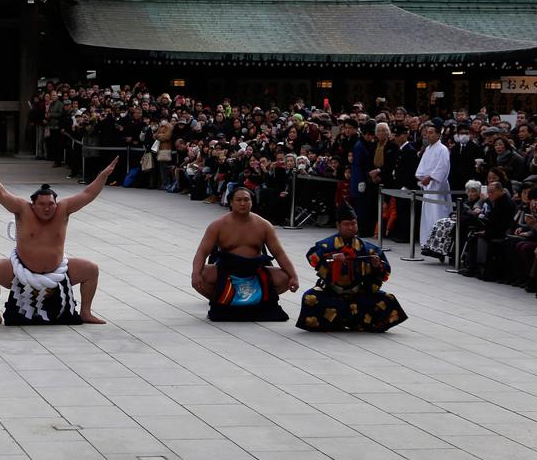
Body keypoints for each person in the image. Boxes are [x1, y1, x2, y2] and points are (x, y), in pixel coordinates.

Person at [0, 153, 114, 326]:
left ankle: (86, 312)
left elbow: (88, 193)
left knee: (91, 269)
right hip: (22, 272)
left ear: (56, 203)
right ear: (33, 205)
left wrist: (102, 176)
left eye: (50, 204)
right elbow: (2, 195)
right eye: (42, 204)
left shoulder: (63, 210)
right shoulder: (22, 210)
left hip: (57, 271)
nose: (47, 208)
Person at [190, 186, 298, 321]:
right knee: (203, 274)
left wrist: (294, 276)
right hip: (227, 270)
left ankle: (255, 302)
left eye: (246, 200)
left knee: (284, 277)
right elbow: (202, 252)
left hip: (255, 271)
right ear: (231, 202)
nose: (243, 203)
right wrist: (195, 273)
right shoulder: (218, 225)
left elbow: (279, 253)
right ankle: (221, 300)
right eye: (238, 200)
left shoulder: (264, 225)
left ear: (252, 202)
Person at [296, 204, 408, 332]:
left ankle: (356, 322)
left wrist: (377, 266)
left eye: (354, 224)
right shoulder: (326, 245)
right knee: (309, 297)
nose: (351, 227)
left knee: (388, 299)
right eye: (347, 224)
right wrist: (331, 257)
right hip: (332, 293)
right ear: (338, 225)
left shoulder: (368, 249)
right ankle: (339, 323)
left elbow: (384, 273)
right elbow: (312, 258)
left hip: (360, 293)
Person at [414, 120, 450, 247]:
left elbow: (443, 168)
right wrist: (423, 177)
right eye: (427, 133)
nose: (427, 135)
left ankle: (438, 245)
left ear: (438, 134)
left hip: (438, 188)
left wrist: (430, 177)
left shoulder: (443, 149)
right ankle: (427, 243)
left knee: (438, 214)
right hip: (427, 188)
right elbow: (421, 168)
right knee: (427, 217)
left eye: (431, 133)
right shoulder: (428, 149)